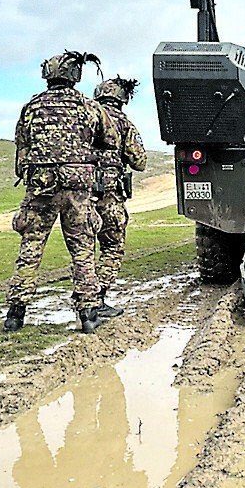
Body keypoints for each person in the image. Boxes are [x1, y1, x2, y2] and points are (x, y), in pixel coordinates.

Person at [4, 52, 119, 334]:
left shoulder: (31, 106)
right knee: (83, 251)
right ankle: (88, 314)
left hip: (41, 186)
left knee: (31, 248)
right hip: (78, 188)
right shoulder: (90, 107)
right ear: (75, 76)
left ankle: (15, 313)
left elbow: (22, 146)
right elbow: (112, 140)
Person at [92, 77, 148, 317]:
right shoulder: (123, 123)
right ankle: (97, 298)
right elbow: (140, 162)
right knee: (112, 246)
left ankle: (84, 298)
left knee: (82, 248)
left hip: (78, 193)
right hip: (108, 196)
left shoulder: (83, 116)